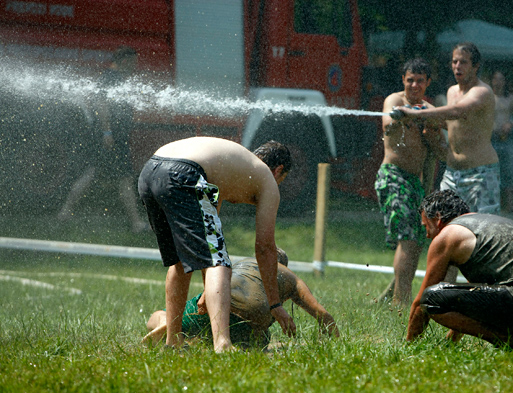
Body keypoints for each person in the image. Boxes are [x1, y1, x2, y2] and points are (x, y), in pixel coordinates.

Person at [137, 137, 295, 352]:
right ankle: (222, 343)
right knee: (219, 262)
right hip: (184, 173)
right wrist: (275, 305)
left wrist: (208, 293)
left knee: (180, 261)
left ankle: (173, 343)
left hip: (150, 171)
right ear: (278, 171)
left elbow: (204, 242)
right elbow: (265, 248)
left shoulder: (229, 166)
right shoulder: (266, 178)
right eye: (281, 181)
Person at [406, 190, 513, 349]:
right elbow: (471, 303)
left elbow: (421, 303)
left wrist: (410, 346)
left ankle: (510, 339)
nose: (427, 235)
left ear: (438, 219)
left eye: (426, 226)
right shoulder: (485, 224)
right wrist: (450, 343)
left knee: (431, 298)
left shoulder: (448, 235)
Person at [143, 249, 340, 349]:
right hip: (250, 323)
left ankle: (165, 322)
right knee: (263, 338)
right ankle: (214, 341)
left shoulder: (241, 263)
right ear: (283, 264)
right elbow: (324, 315)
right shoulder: (290, 276)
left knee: (165, 315)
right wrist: (335, 342)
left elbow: (215, 283)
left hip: (214, 308)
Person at [396, 42, 500, 215]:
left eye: (463, 62)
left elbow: (458, 111)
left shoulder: (482, 91)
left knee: (482, 233)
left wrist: (417, 114)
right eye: (454, 62)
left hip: (480, 174)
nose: (457, 66)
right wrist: (424, 115)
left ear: (476, 66)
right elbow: (452, 124)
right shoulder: (451, 91)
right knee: (447, 228)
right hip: (452, 174)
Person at [375, 58, 447, 306]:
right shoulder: (395, 101)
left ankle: (393, 297)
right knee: (407, 239)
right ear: (403, 80)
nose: (414, 85)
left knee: (416, 242)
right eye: (410, 80)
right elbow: (388, 127)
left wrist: (432, 130)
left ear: (427, 83)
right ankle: (400, 305)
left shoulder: (430, 109)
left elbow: (440, 150)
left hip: (416, 184)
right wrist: (401, 118)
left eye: (419, 80)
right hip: (393, 176)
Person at [58, 46, 148, 232]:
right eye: (133, 62)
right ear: (124, 61)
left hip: (111, 137)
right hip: (111, 138)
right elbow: (101, 103)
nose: (135, 66)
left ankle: (65, 212)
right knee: (124, 178)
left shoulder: (113, 78)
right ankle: (136, 223)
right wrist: (107, 133)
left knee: (93, 173)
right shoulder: (111, 78)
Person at [490, 70, 513, 213]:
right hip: (490, 139)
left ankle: (510, 205)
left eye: (501, 79)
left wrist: (510, 124)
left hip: (506, 139)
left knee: (508, 171)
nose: (498, 82)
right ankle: (494, 203)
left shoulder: (511, 98)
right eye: (495, 79)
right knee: (492, 173)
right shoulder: (488, 97)